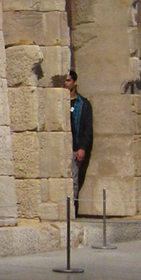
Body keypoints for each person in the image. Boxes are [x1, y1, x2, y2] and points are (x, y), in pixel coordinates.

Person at [64, 71, 93, 213]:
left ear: (75, 82)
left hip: (75, 147)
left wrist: (82, 147)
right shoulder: (60, 101)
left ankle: (71, 210)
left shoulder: (83, 103)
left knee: (73, 179)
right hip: (60, 147)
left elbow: (88, 128)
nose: (66, 83)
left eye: (68, 80)